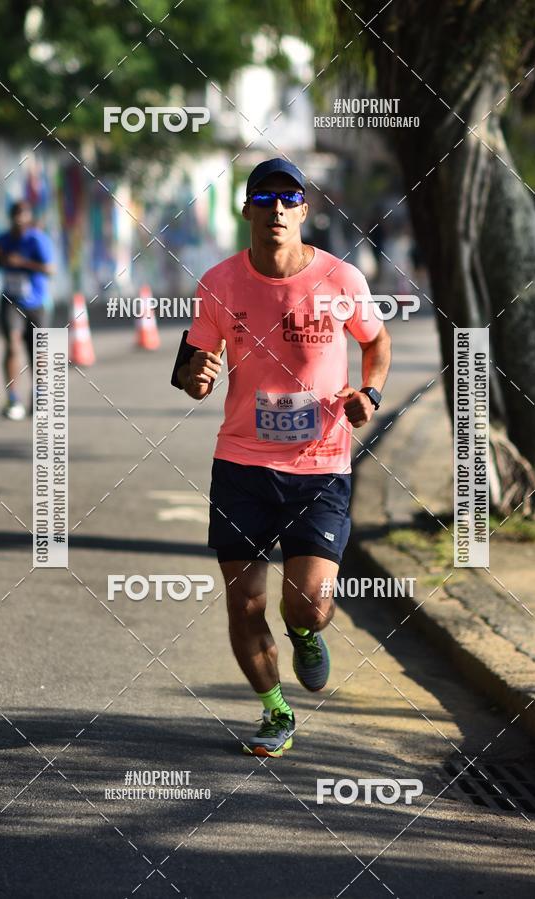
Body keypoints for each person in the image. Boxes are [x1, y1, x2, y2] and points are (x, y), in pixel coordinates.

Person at [171, 158, 391, 757]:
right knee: (244, 602)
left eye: (287, 198)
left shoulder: (341, 279)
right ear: (246, 210)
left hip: (320, 466)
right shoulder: (218, 283)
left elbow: (376, 341)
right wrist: (198, 378)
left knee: (309, 604)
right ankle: (274, 711)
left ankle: (304, 632)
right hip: (241, 464)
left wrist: (368, 394)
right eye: (263, 198)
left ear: (303, 210)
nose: (275, 208)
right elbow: (188, 367)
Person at [0, 200, 55, 420]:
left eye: (23, 213)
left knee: (38, 353)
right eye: (16, 214)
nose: (19, 218)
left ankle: (38, 395)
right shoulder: (3, 239)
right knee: (12, 344)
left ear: (28, 216)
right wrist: (2, 259)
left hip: (37, 304)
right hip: (11, 300)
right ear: (11, 217)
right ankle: (12, 398)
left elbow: (50, 269)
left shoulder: (37, 239)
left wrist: (23, 262)